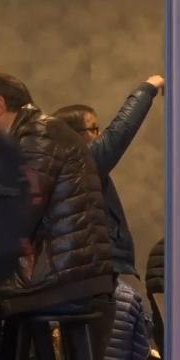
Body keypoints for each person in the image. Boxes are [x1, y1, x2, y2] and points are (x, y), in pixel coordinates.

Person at [0, 68, 115, 359]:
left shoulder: (39, 135)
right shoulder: (27, 138)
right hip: (62, 275)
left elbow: (15, 212)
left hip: (59, 280)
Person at [53, 75, 164, 359]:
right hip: (91, 279)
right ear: (74, 134)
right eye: (94, 128)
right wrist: (147, 89)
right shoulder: (77, 163)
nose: (100, 135)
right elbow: (119, 134)